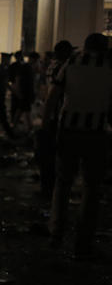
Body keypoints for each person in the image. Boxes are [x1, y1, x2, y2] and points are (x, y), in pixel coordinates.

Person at [43, 33, 112, 258]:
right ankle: (83, 243)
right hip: (96, 133)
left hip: (69, 131)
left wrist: (47, 123)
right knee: (92, 188)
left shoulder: (72, 62)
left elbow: (53, 95)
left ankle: (56, 235)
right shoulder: (109, 65)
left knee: (62, 184)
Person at [36, 40, 74, 199]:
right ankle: (51, 190)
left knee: (48, 156)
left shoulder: (52, 66)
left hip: (50, 115)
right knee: (55, 156)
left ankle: (47, 188)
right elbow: (55, 96)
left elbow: (46, 93)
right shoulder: (64, 68)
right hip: (57, 117)